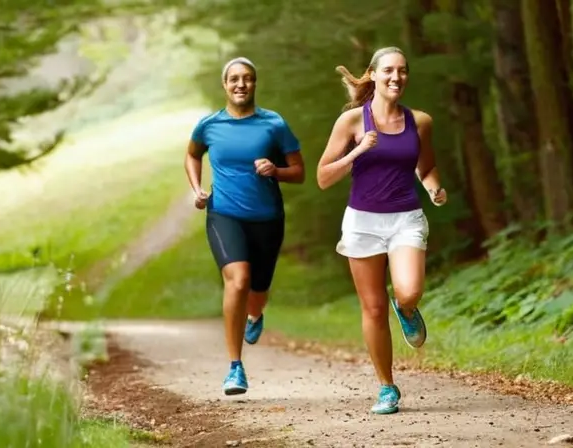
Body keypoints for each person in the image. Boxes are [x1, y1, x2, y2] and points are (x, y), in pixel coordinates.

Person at [316, 46, 447, 415]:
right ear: (372, 74)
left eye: (403, 71)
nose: (396, 77)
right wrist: (357, 152)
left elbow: (427, 168)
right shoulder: (352, 122)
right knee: (372, 308)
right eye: (388, 70)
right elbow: (323, 178)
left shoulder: (420, 121)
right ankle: (387, 387)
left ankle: (405, 308)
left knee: (409, 291)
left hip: (406, 218)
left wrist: (434, 188)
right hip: (362, 222)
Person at [184, 57, 305, 395]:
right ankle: (235, 368)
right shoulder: (208, 125)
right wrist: (197, 189)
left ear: (255, 84)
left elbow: (299, 171)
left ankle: (255, 316)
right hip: (224, 214)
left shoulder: (274, 124)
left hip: (267, 218)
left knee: (257, 291)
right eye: (234, 79)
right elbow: (193, 154)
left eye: (247, 79)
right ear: (225, 85)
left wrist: (276, 170)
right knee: (238, 281)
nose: (241, 84)